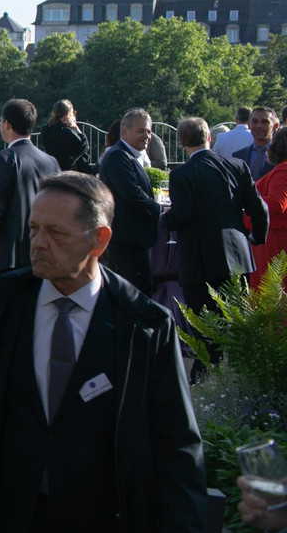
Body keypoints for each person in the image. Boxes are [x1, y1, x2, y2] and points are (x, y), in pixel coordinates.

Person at [0, 172, 209, 533]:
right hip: (14, 526)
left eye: (55, 232)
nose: (37, 243)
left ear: (99, 240)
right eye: (33, 228)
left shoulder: (143, 325)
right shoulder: (3, 303)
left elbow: (177, 443)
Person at [167, 117, 268, 374]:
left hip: (200, 259)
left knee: (205, 327)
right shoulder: (237, 166)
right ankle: (243, 377)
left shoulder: (181, 174)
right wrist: (256, 237)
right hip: (237, 255)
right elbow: (259, 210)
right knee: (238, 323)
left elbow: (183, 215)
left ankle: (203, 379)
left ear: (180, 143)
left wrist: (162, 218)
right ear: (209, 137)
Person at [0, 99, 59, 287]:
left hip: (7, 257)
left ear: (6, 123)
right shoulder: (51, 161)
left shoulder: (3, 160)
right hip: (41, 251)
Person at [97, 108, 160, 295]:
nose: (147, 136)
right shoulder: (118, 156)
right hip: (127, 238)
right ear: (124, 132)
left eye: (149, 131)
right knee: (137, 291)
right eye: (141, 131)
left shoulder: (129, 155)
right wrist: (159, 209)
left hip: (133, 238)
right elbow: (131, 192)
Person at [250, 126, 287, 288]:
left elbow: (277, 203)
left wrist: (247, 207)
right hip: (275, 241)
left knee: (268, 301)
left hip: (275, 244)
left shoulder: (283, 170)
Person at [39, 99, 96, 174]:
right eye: (73, 112)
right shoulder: (66, 132)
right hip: (69, 172)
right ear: (68, 114)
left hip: (52, 170)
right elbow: (84, 146)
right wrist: (76, 129)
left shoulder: (46, 130)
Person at [234, 106, 281, 182]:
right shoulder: (238, 156)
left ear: (276, 126)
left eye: (265, 122)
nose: (259, 126)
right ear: (249, 125)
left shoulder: (282, 156)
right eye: (255, 121)